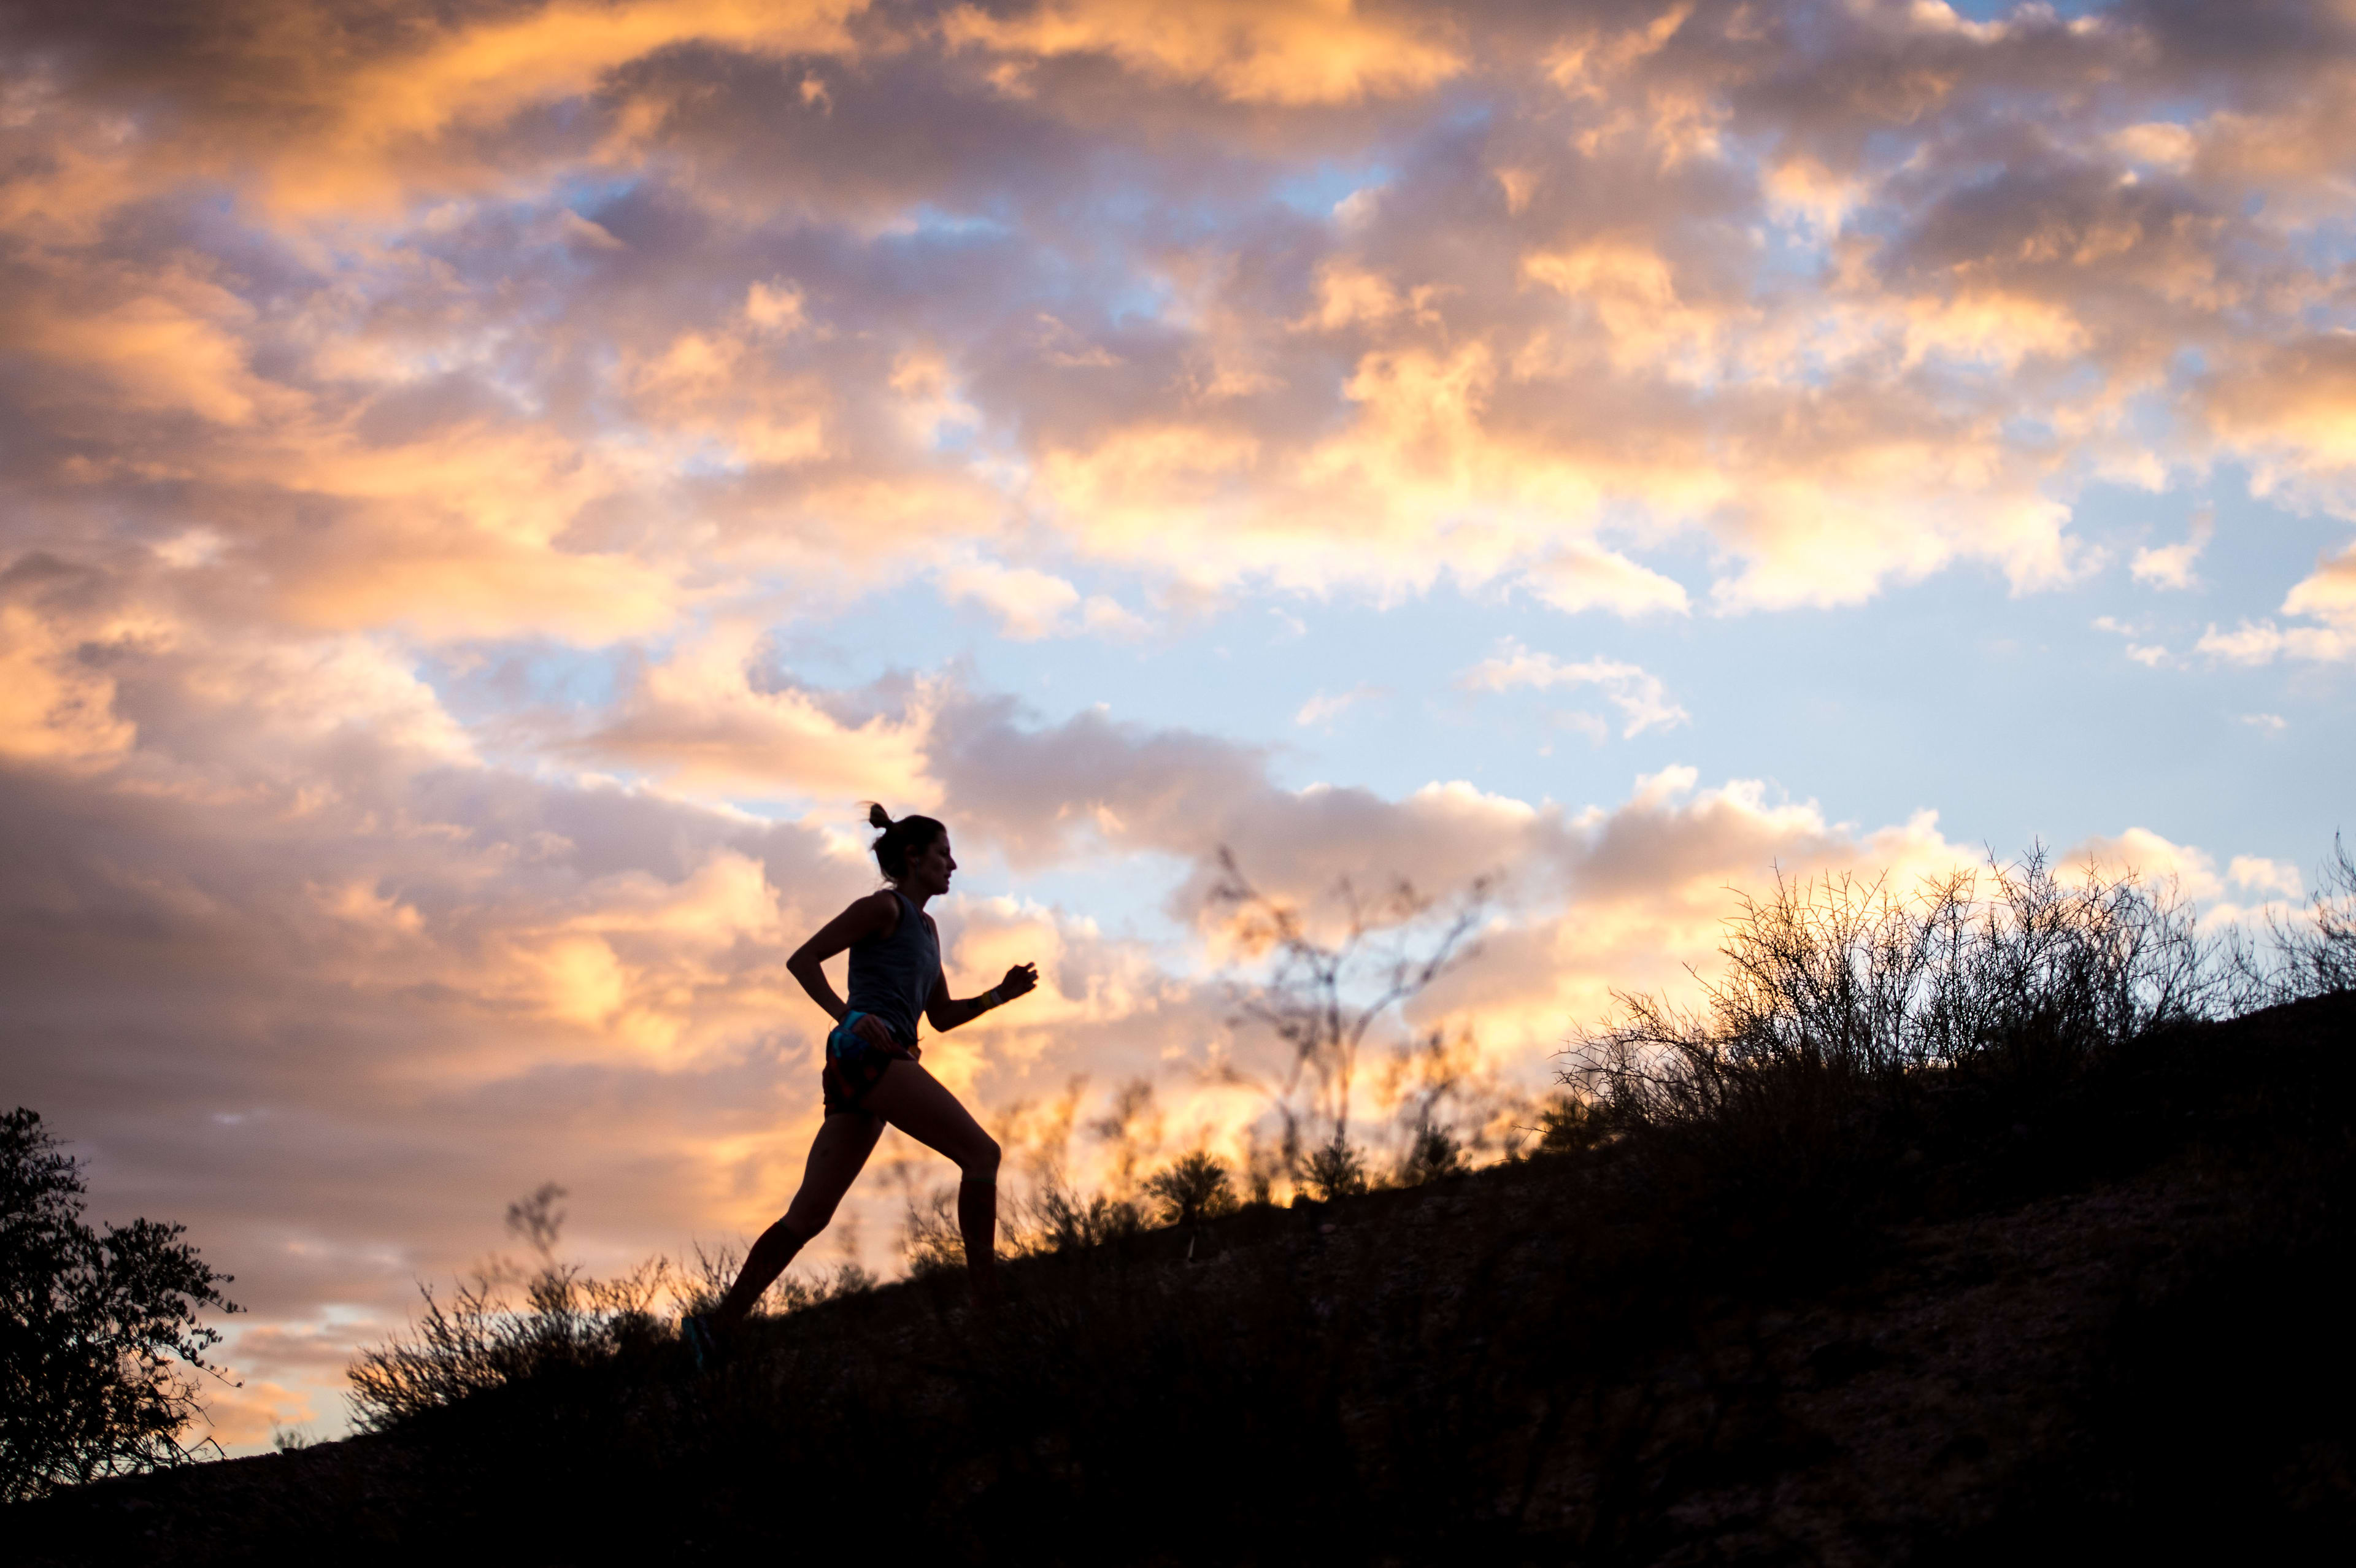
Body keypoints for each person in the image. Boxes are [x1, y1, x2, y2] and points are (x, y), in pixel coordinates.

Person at [687, 805, 1035, 1355]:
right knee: (981, 1155)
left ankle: (717, 1326)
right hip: (866, 1054)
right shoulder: (881, 908)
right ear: (913, 858)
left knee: (810, 1214)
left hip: (878, 1059)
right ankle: (987, 1301)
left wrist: (999, 995)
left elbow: (941, 1017)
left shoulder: (926, 928)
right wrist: (848, 1016)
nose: (954, 865)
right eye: (944, 854)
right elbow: (803, 960)